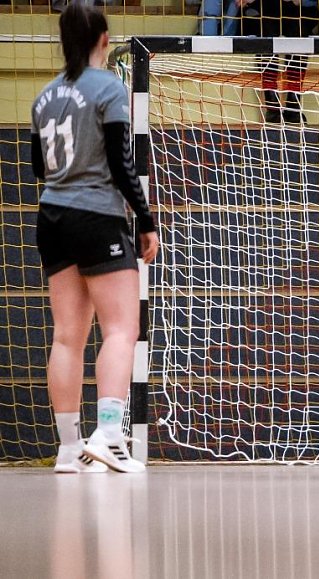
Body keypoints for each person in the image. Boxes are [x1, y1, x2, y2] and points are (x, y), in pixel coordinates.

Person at [30, 4, 159, 473]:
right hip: (96, 215)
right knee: (122, 328)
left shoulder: (43, 97)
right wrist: (145, 221)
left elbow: (37, 168)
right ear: (104, 37)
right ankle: (108, 435)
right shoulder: (107, 87)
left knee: (67, 337)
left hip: (52, 217)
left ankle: (68, 449)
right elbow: (122, 164)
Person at [238, 0, 319, 123]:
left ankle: (293, 101)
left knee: (298, 32)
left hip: (295, 12)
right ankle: (272, 102)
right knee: (265, 31)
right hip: (261, 9)